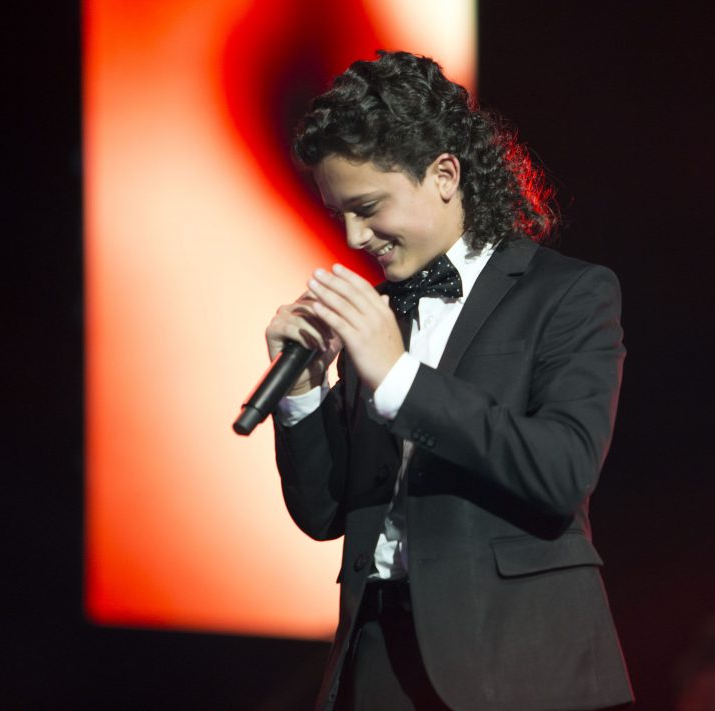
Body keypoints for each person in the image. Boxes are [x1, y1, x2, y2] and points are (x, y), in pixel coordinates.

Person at [267, 50, 632, 710]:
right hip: (378, 664)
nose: (353, 236)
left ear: (443, 174)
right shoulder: (379, 316)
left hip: (518, 662)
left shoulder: (568, 294)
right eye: (339, 213)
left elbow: (562, 470)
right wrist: (303, 393)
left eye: (367, 207)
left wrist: (401, 378)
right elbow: (325, 514)